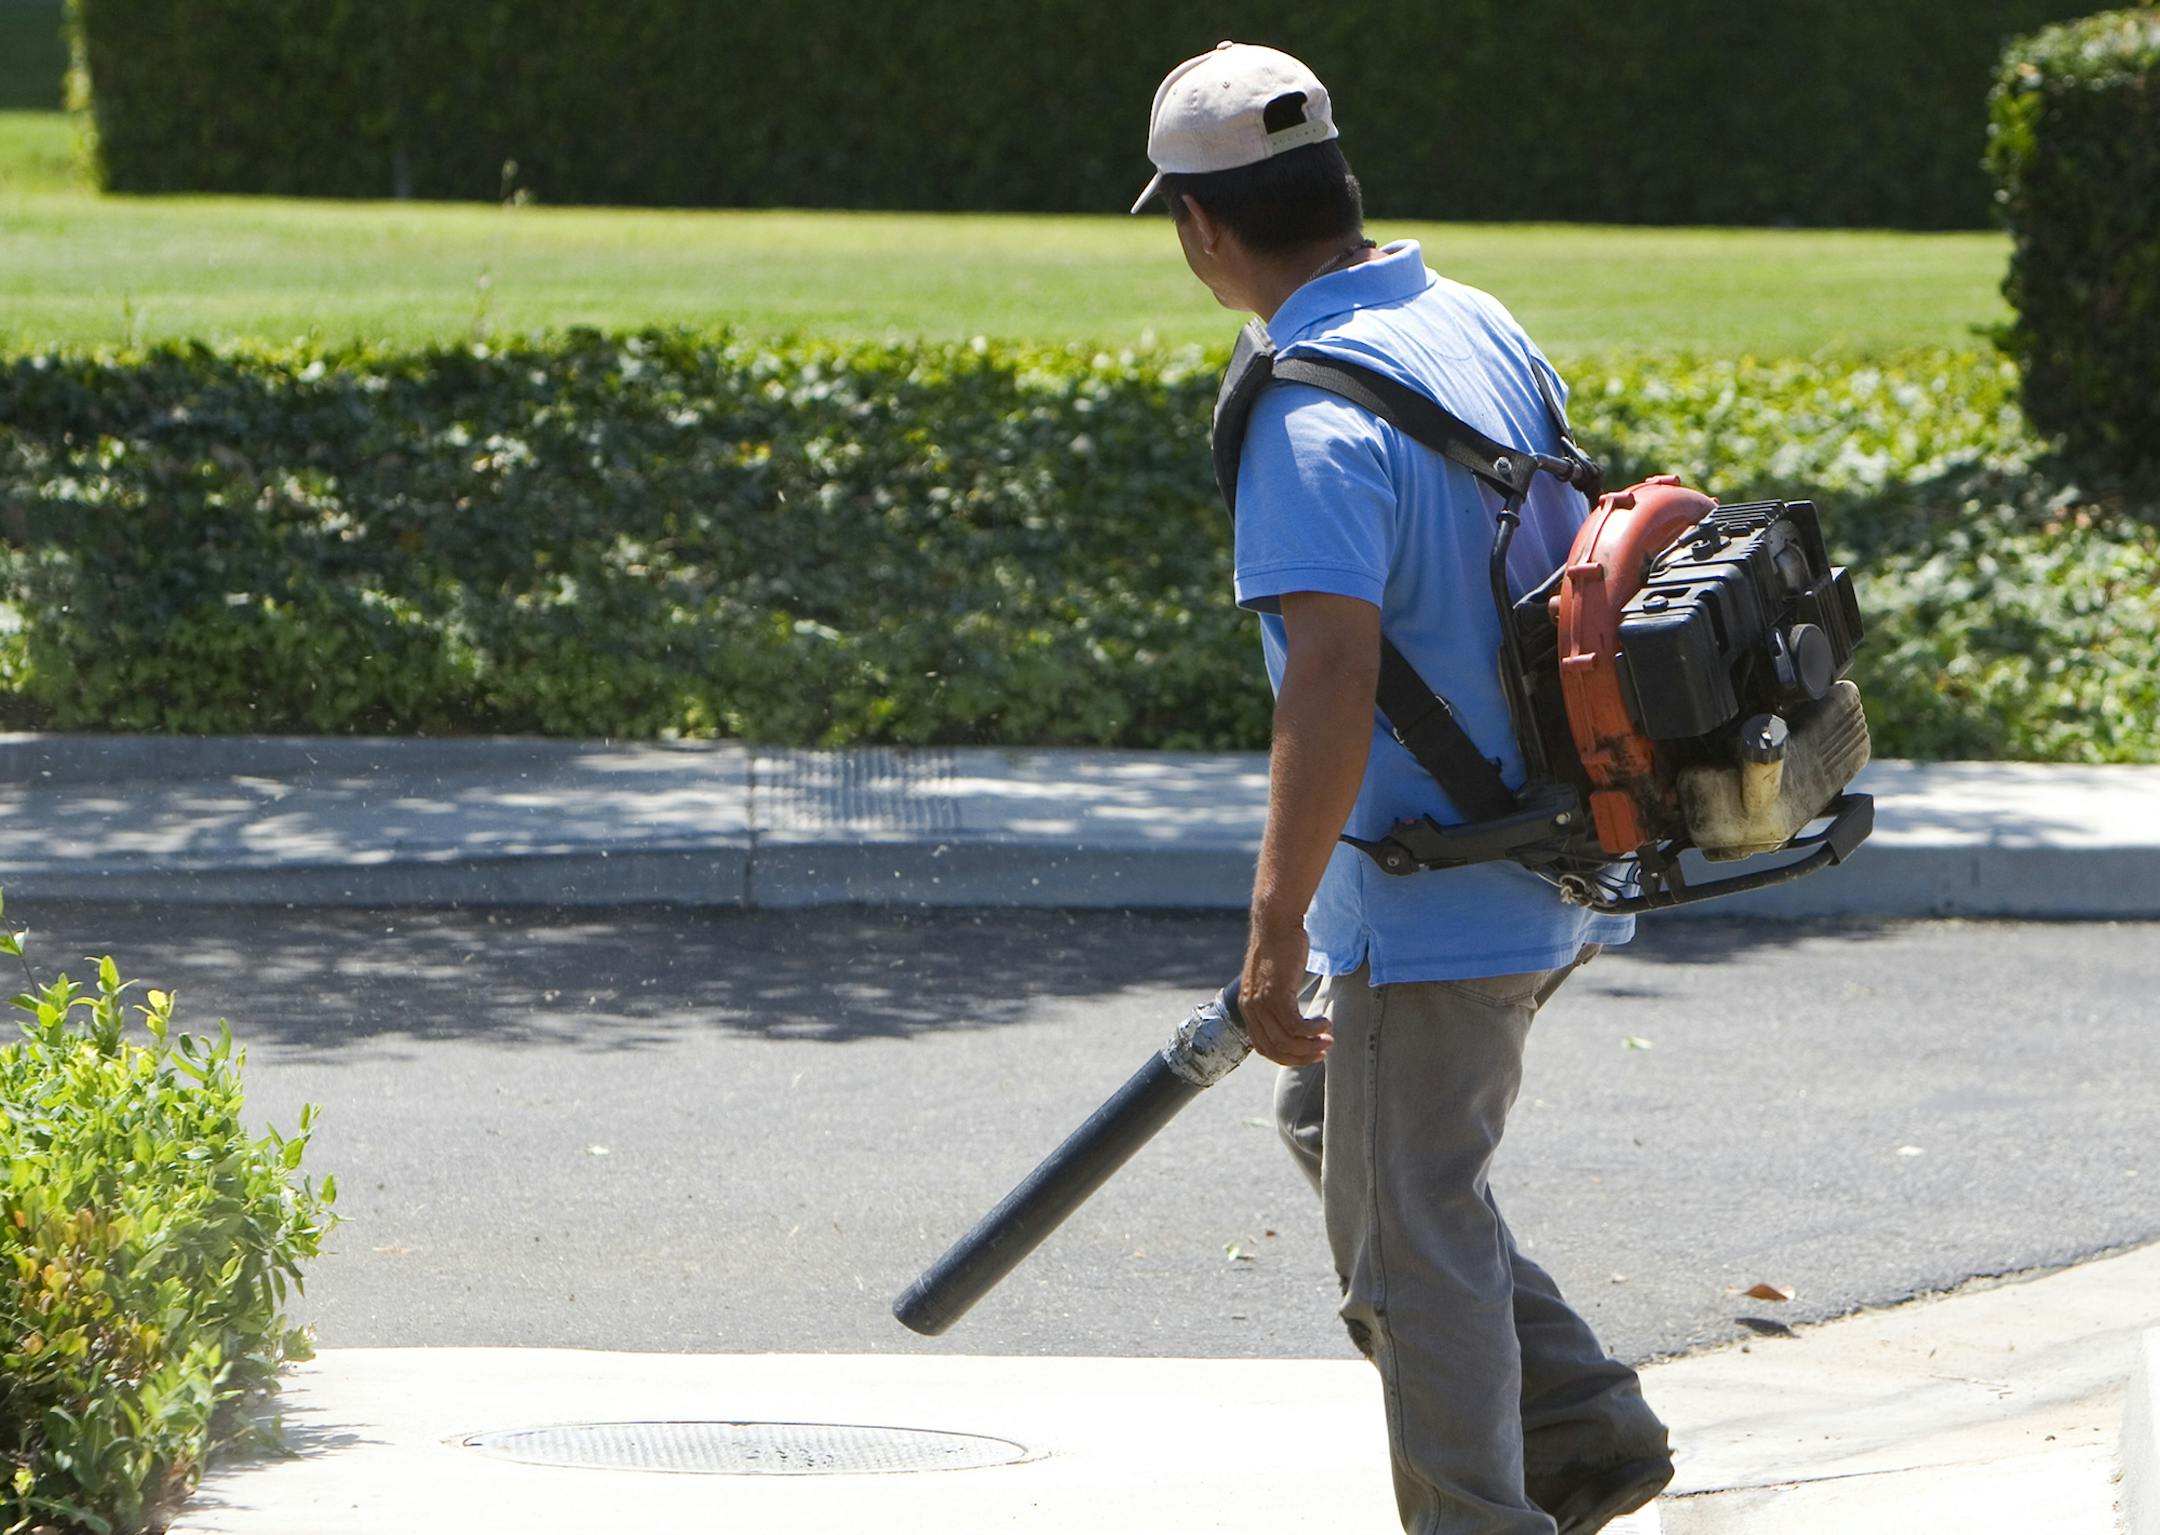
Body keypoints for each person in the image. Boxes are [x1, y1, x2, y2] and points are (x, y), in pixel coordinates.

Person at [1131, 41, 1675, 1535]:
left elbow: (1332, 682)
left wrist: (1270, 930)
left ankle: (1491, 1511)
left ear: (1202, 228)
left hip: (1444, 891)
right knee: (1344, 1135)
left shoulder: (1310, 414)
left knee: (1406, 1248)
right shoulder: (1468, 318)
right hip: (1559, 843)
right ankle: (1581, 1422)